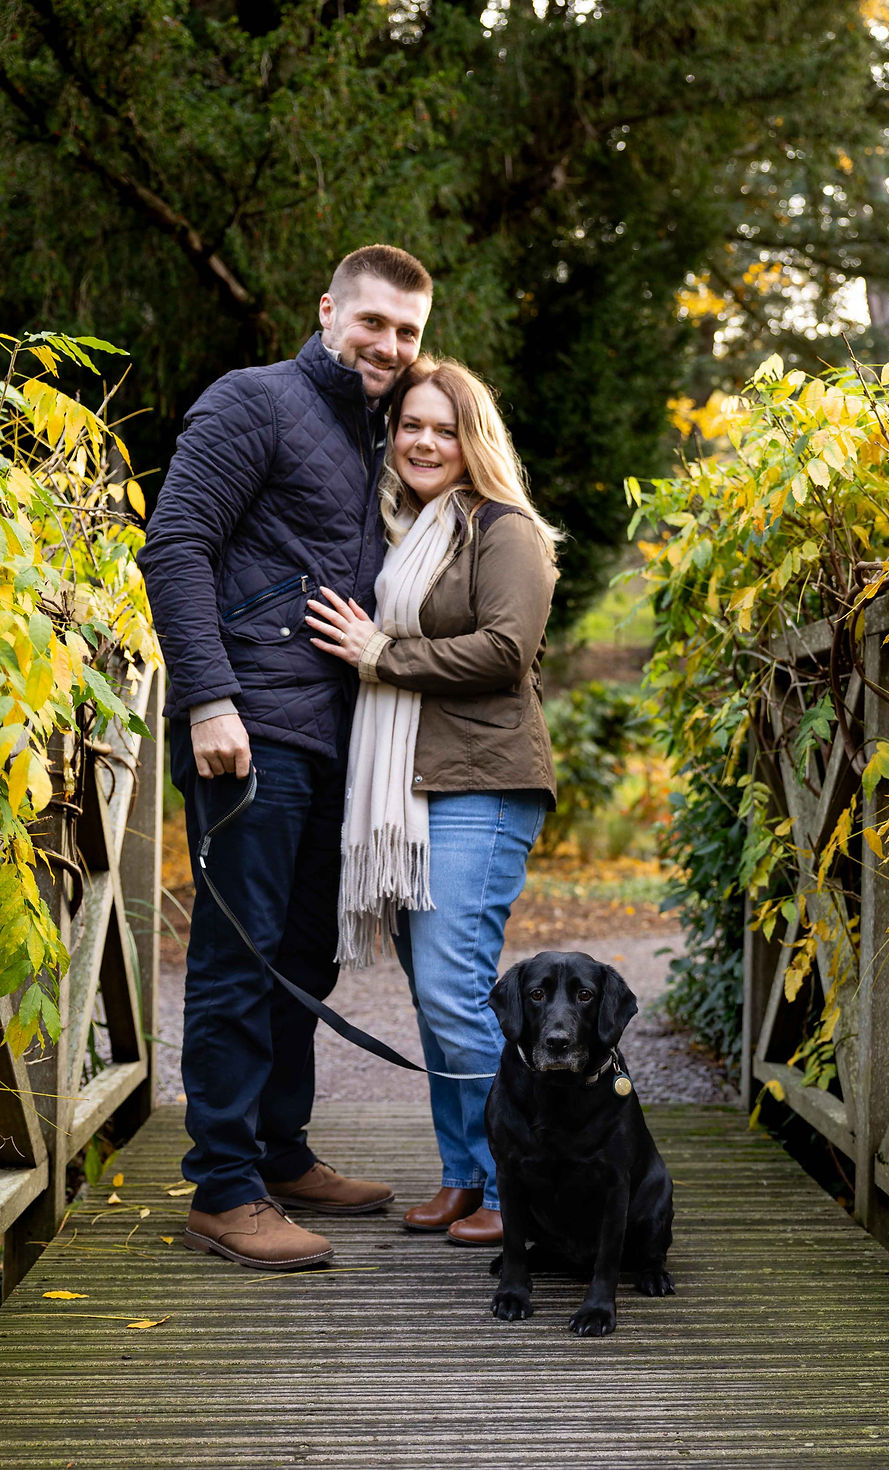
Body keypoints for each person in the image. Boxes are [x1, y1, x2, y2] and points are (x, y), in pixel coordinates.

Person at [137, 244, 433, 1270]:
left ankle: (279, 1150)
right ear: (328, 313)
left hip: (334, 740)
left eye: (406, 332)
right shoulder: (252, 400)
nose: (388, 346)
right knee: (238, 954)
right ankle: (223, 1190)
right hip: (248, 732)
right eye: (373, 324)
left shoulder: (384, 436)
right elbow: (175, 545)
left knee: (304, 954)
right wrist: (210, 699)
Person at [304, 356, 559, 1246]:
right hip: (416, 788)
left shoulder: (504, 529)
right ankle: (465, 1176)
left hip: (482, 784)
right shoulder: (405, 531)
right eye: (411, 424)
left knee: (453, 994)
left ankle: (521, 1186)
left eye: (444, 427)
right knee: (435, 997)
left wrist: (382, 655)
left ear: (472, 438)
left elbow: (505, 650)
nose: (423, 440)